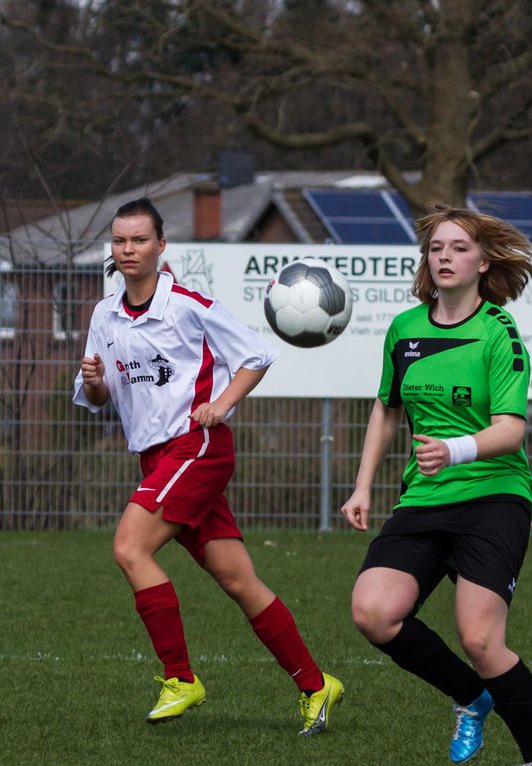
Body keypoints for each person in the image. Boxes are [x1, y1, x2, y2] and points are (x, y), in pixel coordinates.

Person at [73, 197, 343, 735]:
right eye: (120, 241)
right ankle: (317, 685)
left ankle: (180, 678)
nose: (128, 249)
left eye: (139, 240)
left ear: (161, 246)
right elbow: (97, 397)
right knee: (238, 579)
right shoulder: (104, 314)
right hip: (157, 458)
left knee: (130, 547)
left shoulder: (186, 303)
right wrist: (96, 380)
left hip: (196, 447)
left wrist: (221, 405)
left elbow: (256, 355)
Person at [340, 203, 532, 766]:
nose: (445, 256)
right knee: (373, 612)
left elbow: (511, 428)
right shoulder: (404, 330)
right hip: (424, 499)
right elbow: (387, 409)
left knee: (480, 637)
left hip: (494, 495)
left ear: (483, 262)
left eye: (459, 248)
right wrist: (363, 485)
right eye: (437, 248)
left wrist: (456, 449)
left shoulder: (498, 331)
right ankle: (471, 696)